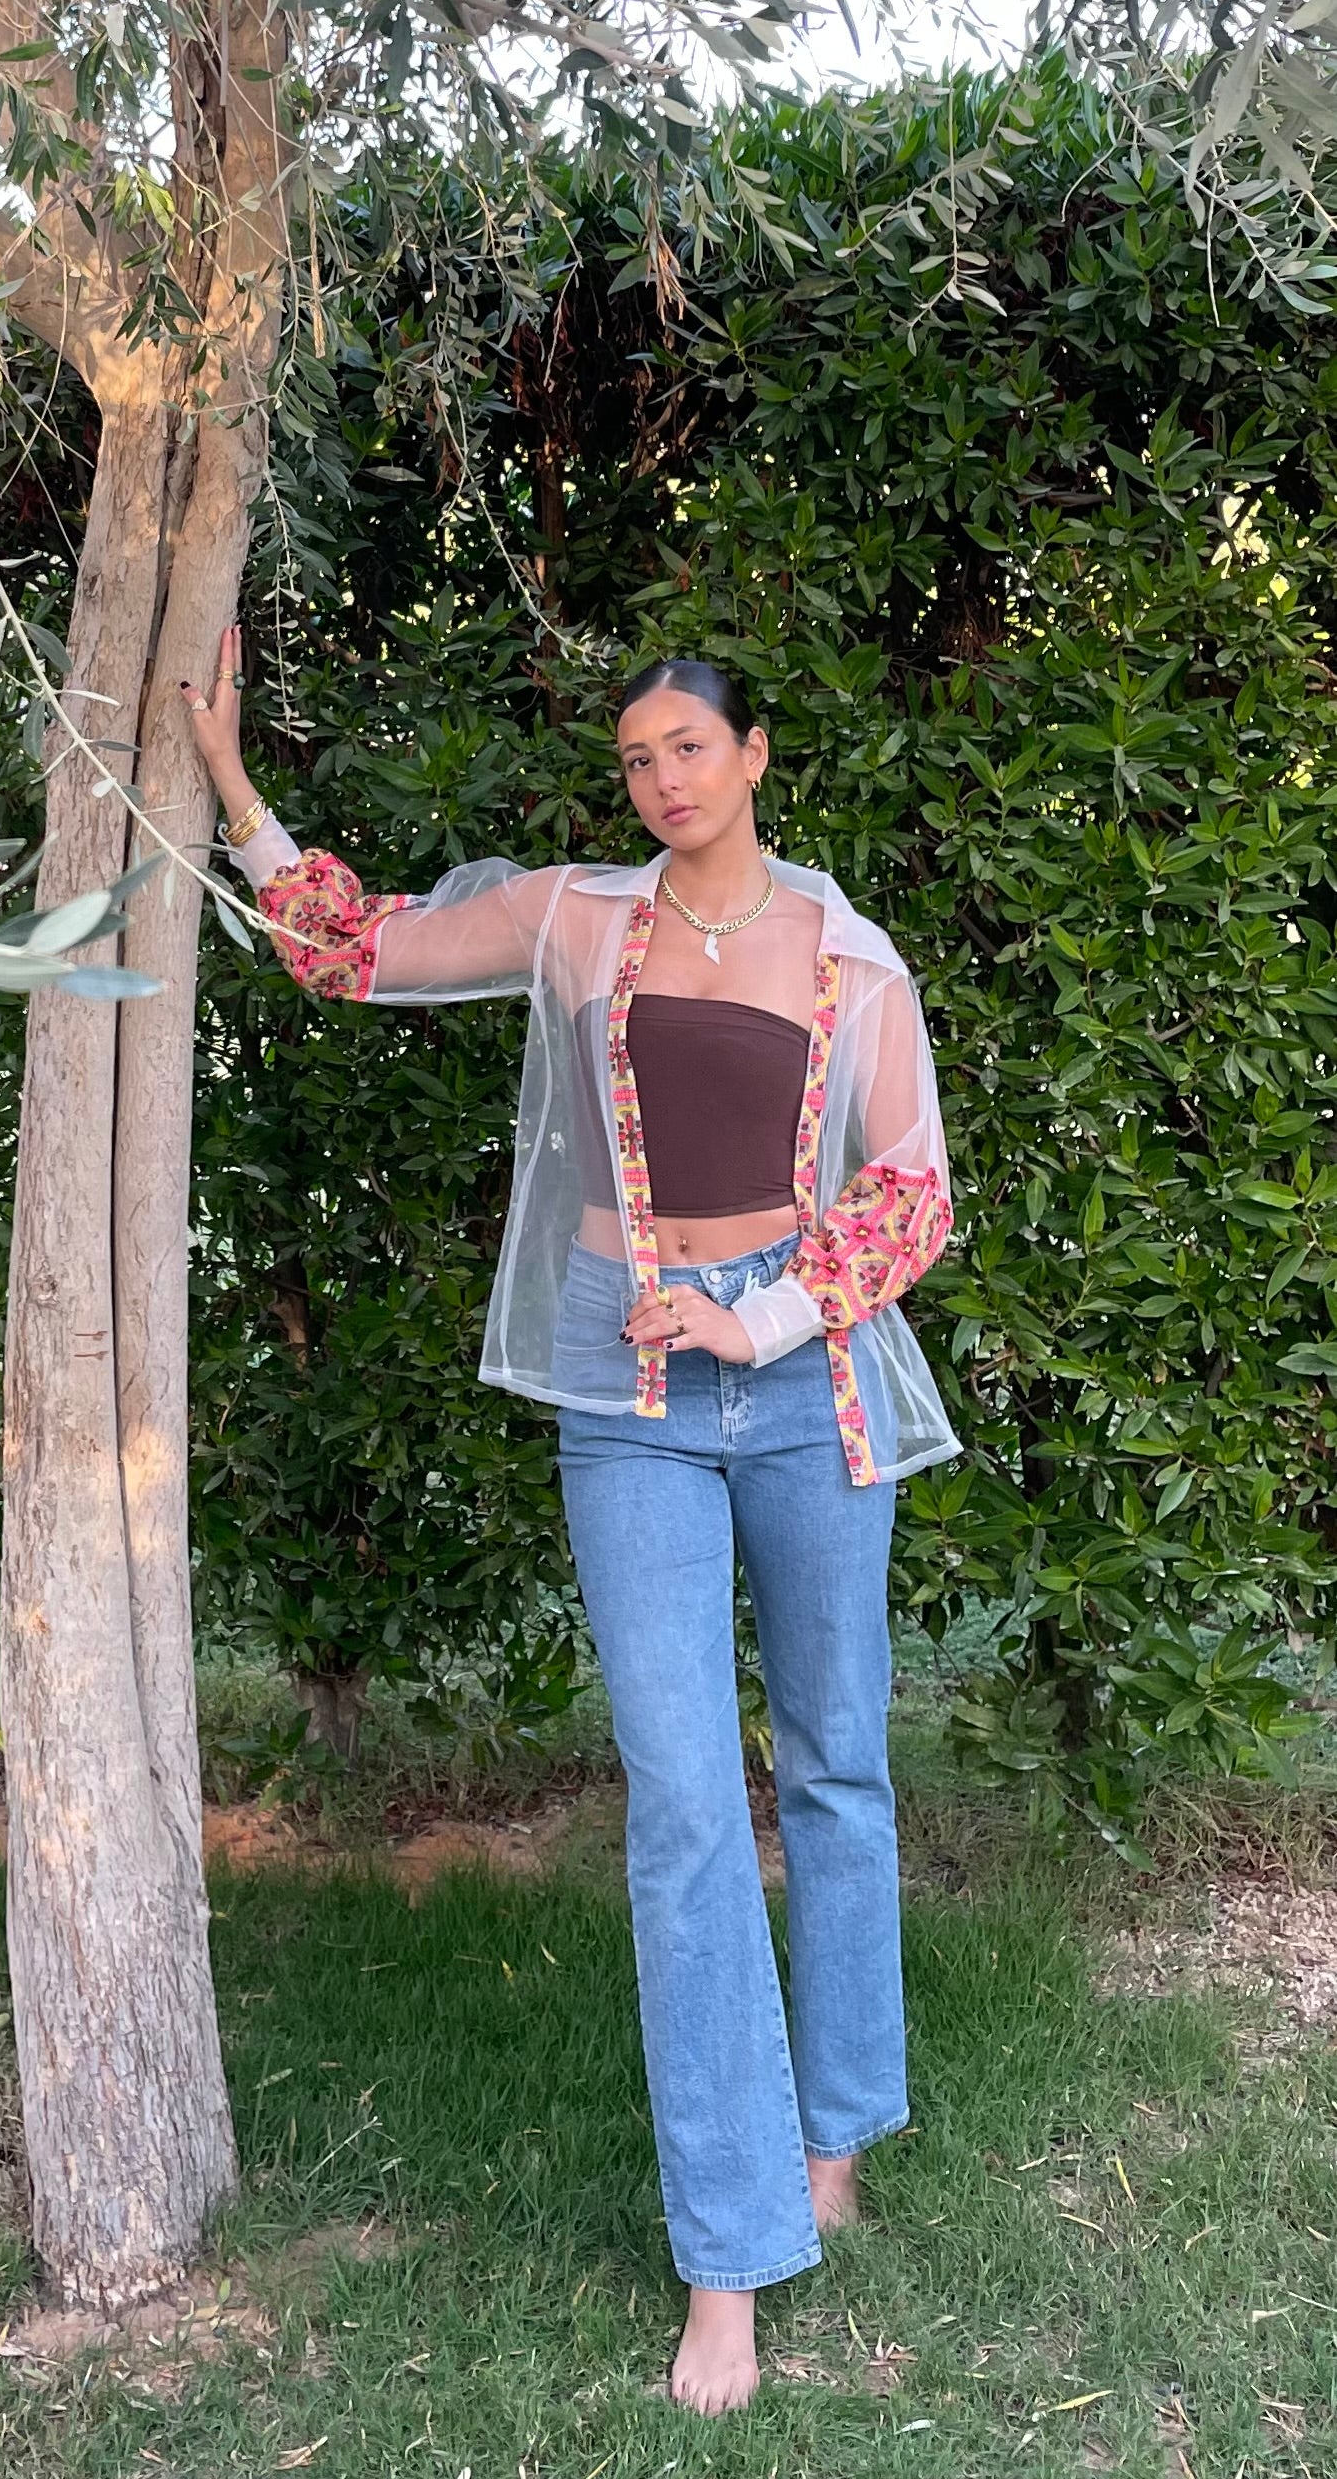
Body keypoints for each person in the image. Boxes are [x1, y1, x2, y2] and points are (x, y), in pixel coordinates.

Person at [181, 632, 956, 2418]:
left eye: (690, 747)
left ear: (754, 756)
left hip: (805, 1379)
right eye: (636, 759)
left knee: (837, 1763)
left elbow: (909, 1195)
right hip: (629, 1390)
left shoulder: (849, 956)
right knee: (684, 1809)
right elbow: (355, 949)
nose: (663, 781)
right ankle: (731, 2255)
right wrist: (232, 788)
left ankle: (837, 2127)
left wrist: (764, 1317)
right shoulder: (575, 919)